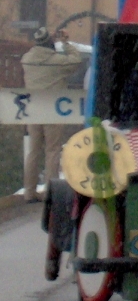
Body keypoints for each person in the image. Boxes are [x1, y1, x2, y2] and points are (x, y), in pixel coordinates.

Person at [21, 27, 82, 203]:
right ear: (49, 42)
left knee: (33, 151)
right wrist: (64, 42)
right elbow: (75, 60)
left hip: (33, 109)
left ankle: (29, 192)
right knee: (52, 150)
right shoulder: (57, 62)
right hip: (53, 109)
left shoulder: (27, 60)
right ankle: (51, 192)